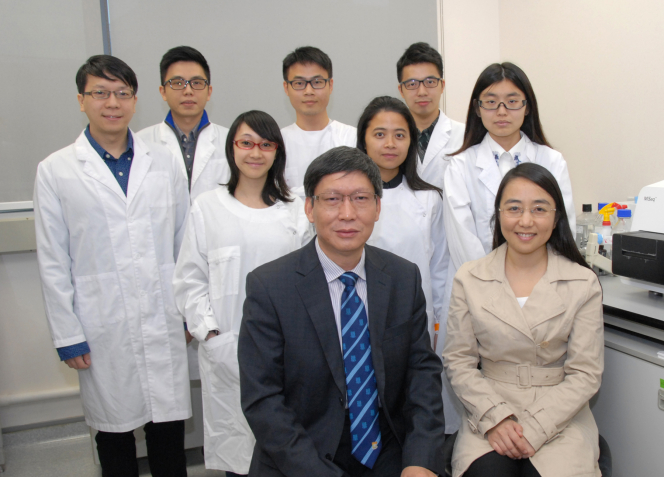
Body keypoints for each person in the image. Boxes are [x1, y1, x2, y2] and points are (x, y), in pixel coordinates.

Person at [238, 146, 446, 477]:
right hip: (301, 453)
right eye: (332, 199)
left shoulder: (402, 278)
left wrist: (420, 461)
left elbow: (422, 375)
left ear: (378, 207)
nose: (347, 214)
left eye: (361, 199)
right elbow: (263, 400)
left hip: (385, 445)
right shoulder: (269, 286)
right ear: (309, 207)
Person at [34, 55, 191, 477]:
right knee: (114, 433)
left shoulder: (164, 160)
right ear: (81, 100)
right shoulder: (56, 170)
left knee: (168, 431)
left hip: (162, 314)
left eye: (122, 93)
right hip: (100, 322)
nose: (112, 103)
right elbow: (53, 259)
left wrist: (188, 310)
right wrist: (68, 334)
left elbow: (184, 242)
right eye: (100, 93)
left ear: (135, 101)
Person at [173, 110, 312, 476]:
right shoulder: (207, 207)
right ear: (231, 148)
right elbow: (190, 280)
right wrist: (211, 334)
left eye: (266, 144)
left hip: (292, 349)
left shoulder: (297, 210)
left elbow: (312, 277)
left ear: (277, 152)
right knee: (240, 455)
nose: (255, 152)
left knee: (292, 450)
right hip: (229, 351)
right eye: (246, 142)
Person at [443, 163, 603, 477]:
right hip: (488, 411)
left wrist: (537, 426)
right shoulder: (470, 278)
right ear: (498, 213)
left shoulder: (582, 282)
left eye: (539, 209)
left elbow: (586, 373)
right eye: (514, 208)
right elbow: (458, 361)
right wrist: (496, 418)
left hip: (562, 414)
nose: (526, 221)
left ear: (556, 217)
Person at [442, 63, 576, 345]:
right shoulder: (460, 166)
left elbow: (564, 230)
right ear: (477, 108)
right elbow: (462, 240)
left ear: (527, 107)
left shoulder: (551, 161)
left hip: (543, 292)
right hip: (480, 296)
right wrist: (493, 294)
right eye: (491, 102)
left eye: (512, 101)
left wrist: (537, 289)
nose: (502, 111)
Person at [357, 96, 460, 437]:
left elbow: (441, 273)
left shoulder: (429, 199)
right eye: (380, 134)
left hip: (413, 326)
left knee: (410, 416)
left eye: (400, 135)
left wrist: (438, 330)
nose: (390, 144)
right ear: (364, 140)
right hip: (355, 324)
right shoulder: (347, 199)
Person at [137, 45, 230, 203]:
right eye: (178, 83)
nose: (188, 91)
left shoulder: (231, 141)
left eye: (197, 83)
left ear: (209, 92)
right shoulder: (141, 143)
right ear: (163, 92)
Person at [280, 46, 357, 195]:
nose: (309, 91)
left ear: (330, 85)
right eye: (299, 83)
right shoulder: (277, 143)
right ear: (286, 88)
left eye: (317, 82)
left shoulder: (352, 138)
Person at [397, 42, 464, 189]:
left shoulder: (464, 137)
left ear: (442, 86)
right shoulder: (392, 139)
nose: (422, 91)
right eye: (412, 84)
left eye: (430, 82)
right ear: (401, 90)